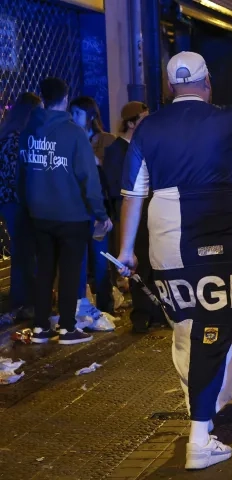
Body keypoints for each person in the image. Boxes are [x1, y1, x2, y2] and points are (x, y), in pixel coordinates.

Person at [116, 50, 232, 470]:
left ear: (169, 87)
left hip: (165, 236)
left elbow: (132, 194)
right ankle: (199, 435)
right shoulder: (230, 119)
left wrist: (125, 251)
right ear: (208, 81)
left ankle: (203, 415)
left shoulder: (148, 128)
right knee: (214, 328)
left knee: (188, 328)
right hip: (215, 233)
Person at [19, 77, 112, 345]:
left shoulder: (28, 131)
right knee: (70, 271)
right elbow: (88, 178)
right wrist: (101, 213)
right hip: (71, 214)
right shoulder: (74, 133)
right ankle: (67, 327)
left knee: (44, 269)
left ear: (43, 97)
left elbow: (21, 172)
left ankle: (40, 327)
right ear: (65, 98)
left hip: (38, 213)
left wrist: (27, 204)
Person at [103, 101, 161, 333]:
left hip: (152, 212)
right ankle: (141, 314)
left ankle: (157, 311)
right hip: (132, 216)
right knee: (138, 265)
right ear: (131, 123)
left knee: (154, 261)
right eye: (143, 118)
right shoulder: (116, 150)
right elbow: (117, 188)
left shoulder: (148, 145)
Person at [68, 96, 118, 329]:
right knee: (79, 262)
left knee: (101, 260)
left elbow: (114, 174)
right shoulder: (69, 139)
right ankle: (81, 310)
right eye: (71, 112)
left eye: (77, 113)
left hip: (99, 211)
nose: (73, 117)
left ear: (90, 115)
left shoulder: (106, 140)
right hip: (76, 209)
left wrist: (98, 163)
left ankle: (106, 307)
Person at [0, 92, 40, 324]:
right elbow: (19, 176)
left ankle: (22, 301)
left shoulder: (6, 136)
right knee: (26, 253)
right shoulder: (18, 140)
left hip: (7, 202)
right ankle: (25, 303)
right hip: (19, 202)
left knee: (21, 251)